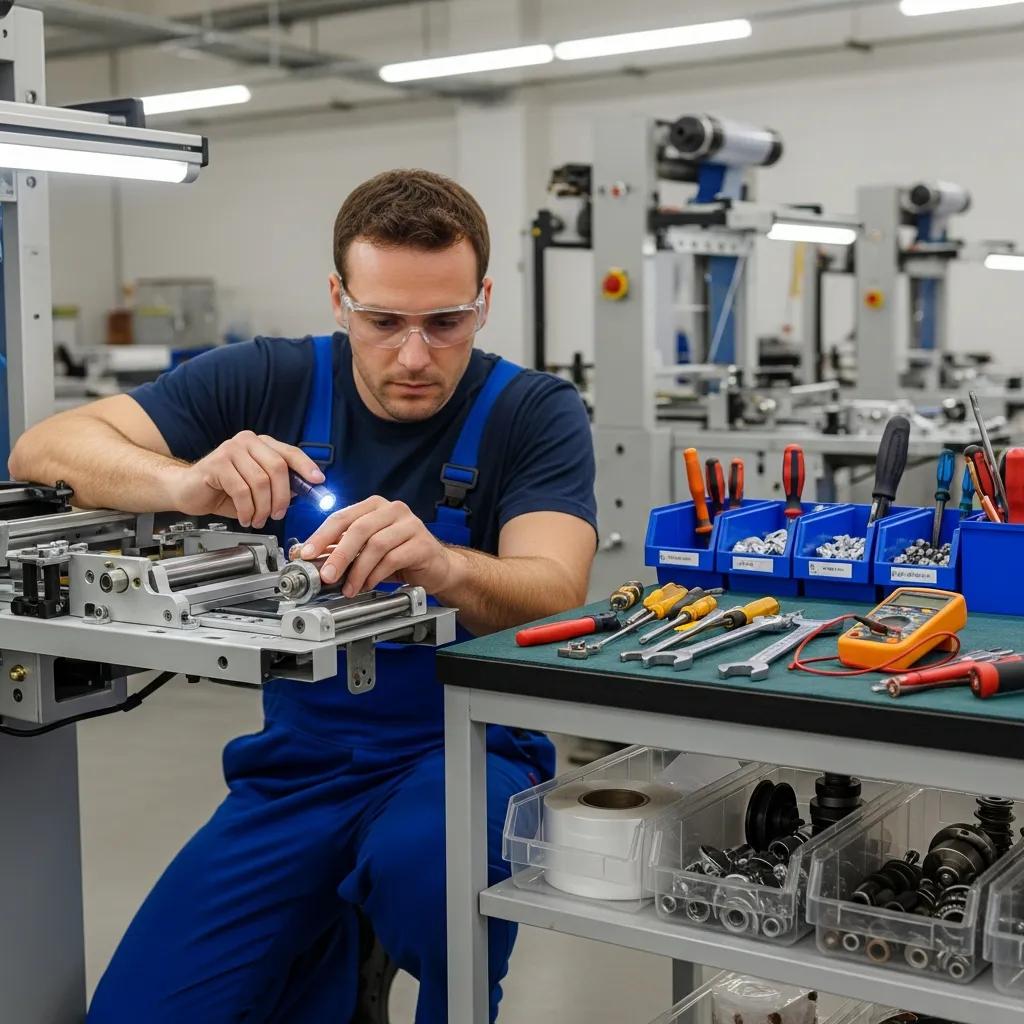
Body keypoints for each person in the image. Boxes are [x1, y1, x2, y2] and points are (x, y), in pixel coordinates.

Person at [10, 168, 597, 1023]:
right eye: (383, 321)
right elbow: (45, 450)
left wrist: (444, 564)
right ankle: (335, 966)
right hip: (301, 763)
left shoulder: (533, 411)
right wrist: (183, 481)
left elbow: (553, 593)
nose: (414, 355)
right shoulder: (265, 379)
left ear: (484, 300)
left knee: (425, 877)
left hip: (464, 748)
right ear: (338, 298)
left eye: (446, 322)